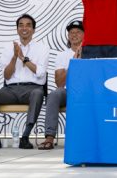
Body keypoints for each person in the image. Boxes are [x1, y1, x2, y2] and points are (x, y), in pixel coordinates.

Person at [0, 14, 48, 149]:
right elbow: (6, 76)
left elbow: (41, 74)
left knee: (38, 93)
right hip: (10, 90)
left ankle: (25, 136)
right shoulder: (8, 48)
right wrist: (14, 57)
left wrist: (23, 58)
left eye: (28, 25)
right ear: (17, 29)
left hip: (31, 89)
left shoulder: (42, 48)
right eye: (21, 25)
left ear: (33, 30)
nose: (24, 28)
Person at [38, 20, 83, 150]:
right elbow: (59, 83)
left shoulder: (91, 53)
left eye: (78, 32)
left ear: (85, 35)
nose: (74, 35)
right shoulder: (62, 55)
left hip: (86, 91)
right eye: (71, 32)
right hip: (68, 91)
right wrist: (74, 62)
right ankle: (49, 138)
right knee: (54, 94)